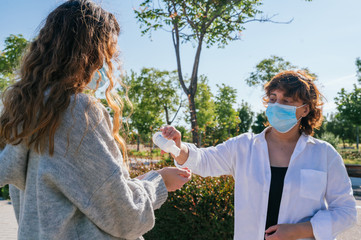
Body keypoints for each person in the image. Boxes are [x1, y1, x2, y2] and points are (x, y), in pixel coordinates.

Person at [0, 1, 191, 239]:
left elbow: (79, 192)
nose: (105, 66)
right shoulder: (76, 112)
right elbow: (124, 216)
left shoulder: (25, 113)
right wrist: (158, 182)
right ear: (89, 54)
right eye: (107, 54)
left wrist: (130, 183)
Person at [162, 70, 357, 240]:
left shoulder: (324, 155)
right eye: (273, 99)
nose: (277, 105)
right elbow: (204, 161)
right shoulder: (243, 146)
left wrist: (298, 231)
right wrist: (178, 148)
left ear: (305, 109)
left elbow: (346, 212)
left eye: (286, 101)